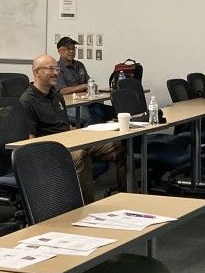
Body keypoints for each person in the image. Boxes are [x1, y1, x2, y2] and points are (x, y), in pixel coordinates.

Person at [20, 54, 126, 202]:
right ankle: (86, 207)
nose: (56, 73)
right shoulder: (27, 101)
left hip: (70, 141)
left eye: (57, 68)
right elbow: (29, 141)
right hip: (52, 149)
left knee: (120, 149)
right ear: (37, 72)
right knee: (80, 155)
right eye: (51, 69)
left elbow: (65, 126)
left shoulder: (56, 96)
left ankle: (129, 196)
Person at [55, 36, 109, 123]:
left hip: (85, 101)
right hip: (69, 105)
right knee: (90, 117)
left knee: (108, 112)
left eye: (73, 48)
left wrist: (93, 86)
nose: (72, 51)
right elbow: (62, 91)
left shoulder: (79, 65)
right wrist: (83, 86)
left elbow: (89, 82)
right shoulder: (57, 68)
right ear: (60, 51)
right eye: (68, 49)